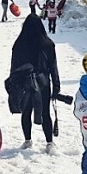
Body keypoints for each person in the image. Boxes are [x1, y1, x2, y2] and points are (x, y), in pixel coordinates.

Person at [11, 13, 60, 154]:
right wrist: (56, 84)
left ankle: (27, 141)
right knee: (45, 112)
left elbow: (14, 65)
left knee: (26, 111)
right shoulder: (47, 43)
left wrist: (13, 84)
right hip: (43, 82)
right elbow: (53, 66)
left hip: (24, 82)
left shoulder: (19, 43)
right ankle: (49, 143)